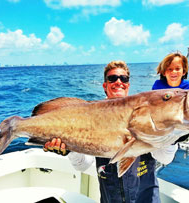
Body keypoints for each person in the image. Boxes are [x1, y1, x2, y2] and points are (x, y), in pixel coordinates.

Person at [44, 60, 178, 203]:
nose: (118, 81)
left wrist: (174, 137)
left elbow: (165, 158)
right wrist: (69, 150)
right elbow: (82, 165)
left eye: (124, 78)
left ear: (128, 85)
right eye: (112, 78)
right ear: (105, 85)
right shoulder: (91, 116)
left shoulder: (147, 112)